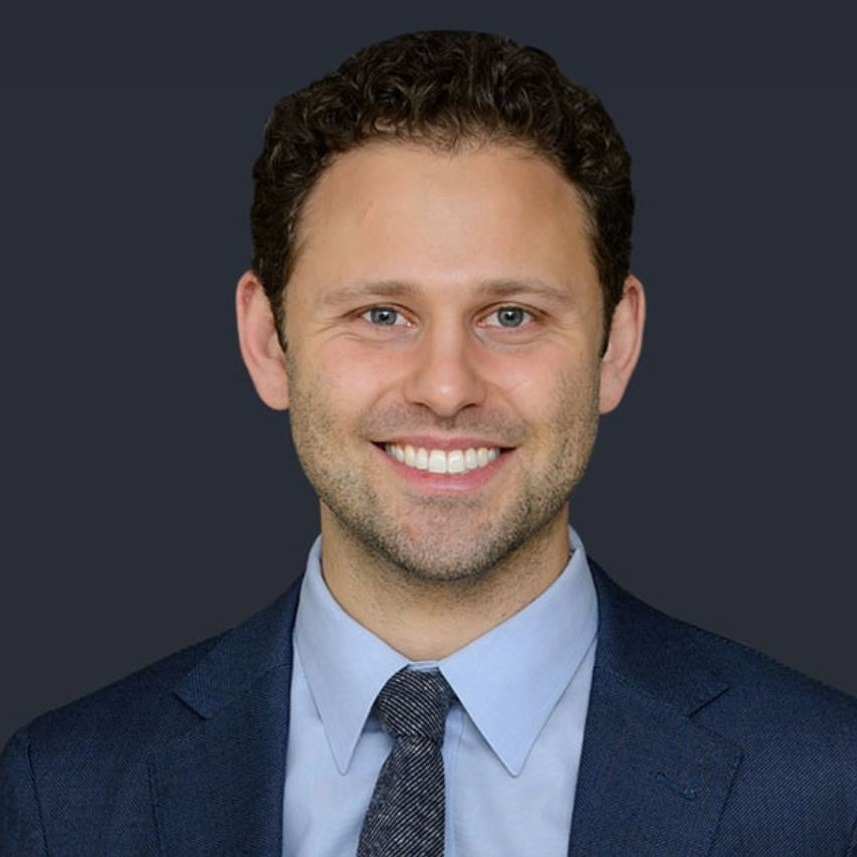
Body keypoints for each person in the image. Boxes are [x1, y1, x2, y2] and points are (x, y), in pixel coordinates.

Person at [1, 29, 855, 856]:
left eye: (511, 315)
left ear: (615, 344)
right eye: (381, 314)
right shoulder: (63, 793)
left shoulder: (828, 790)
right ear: (268, 342)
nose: (446, 388)